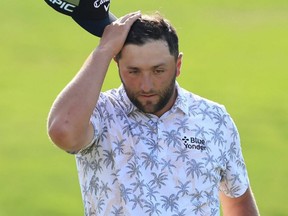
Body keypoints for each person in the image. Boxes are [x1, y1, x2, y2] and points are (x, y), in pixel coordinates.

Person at [47, 11, 259, 216]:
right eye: (134, 71)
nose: (146, 86)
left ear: (178, 66)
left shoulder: (214, 119)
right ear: (117, 65)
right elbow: (63, 131)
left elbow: (238, 200)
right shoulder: (99, 113)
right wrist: (104, 50)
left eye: (158, 71)